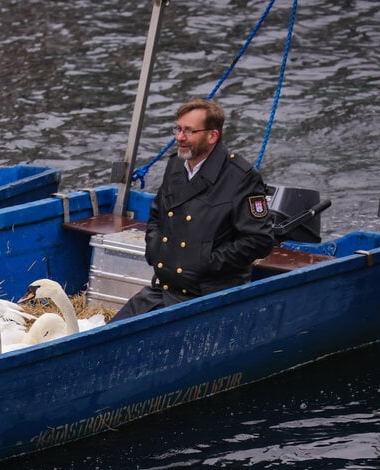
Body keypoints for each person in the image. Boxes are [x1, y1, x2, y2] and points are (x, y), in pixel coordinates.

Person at [111, 98, 274, 321]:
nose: (179, 137)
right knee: (113, 331)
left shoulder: (241, 177)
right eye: (178, 129)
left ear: (212, 136)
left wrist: (206, 261)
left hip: (210, 294)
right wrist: (156, 248)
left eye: (189, 131)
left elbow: (259, 240)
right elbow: (158, 213)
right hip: (165, 288)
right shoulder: (176, 165)